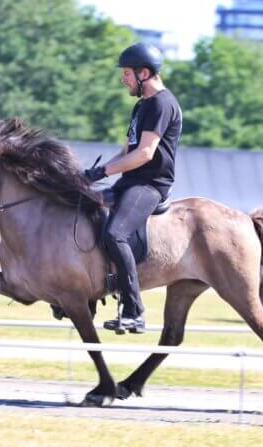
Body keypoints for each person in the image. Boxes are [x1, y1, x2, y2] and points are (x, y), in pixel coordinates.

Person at [84, 42, 183, 333]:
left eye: (126, 73)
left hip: (150, 184)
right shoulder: (141, 106)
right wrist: (91, 175)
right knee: (82, 207)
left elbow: (144, 154)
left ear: (143, 73)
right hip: (131, 181)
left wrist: (103, 171)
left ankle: (134, 311)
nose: (123, 79)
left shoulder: (163, 104)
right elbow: (127, 151)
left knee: (115, 234)